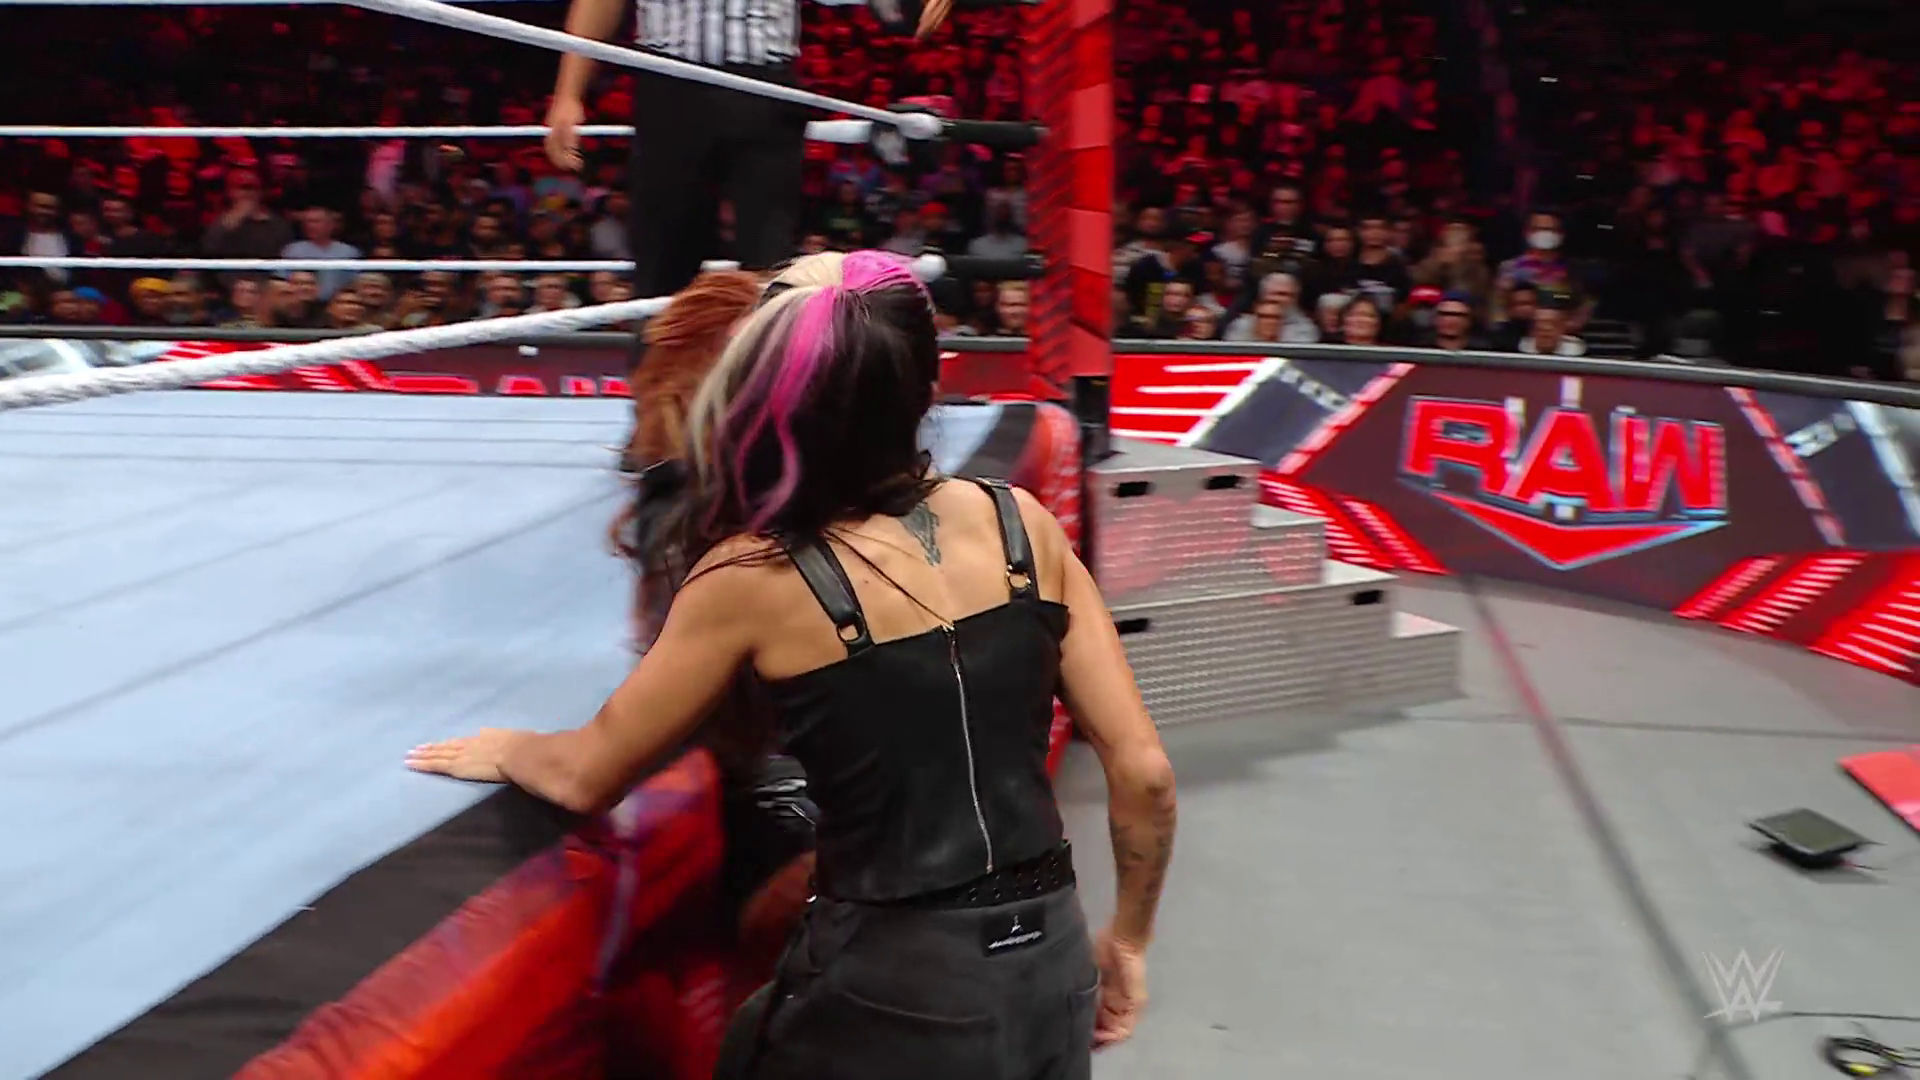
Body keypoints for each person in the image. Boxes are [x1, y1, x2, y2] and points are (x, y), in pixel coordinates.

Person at [406, 250, 1178, 1078]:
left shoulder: (753, 578)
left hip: (891, 978)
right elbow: (1145, 775)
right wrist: (1128, 942)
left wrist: (512, 749)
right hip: (1048, 956)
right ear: (928, 384)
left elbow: (587, 773)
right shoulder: (1022, 523)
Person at [543, 0, 952, 298]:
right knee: (663, 261)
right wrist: (567, 93)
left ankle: (769, 384)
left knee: (770, 259)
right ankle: (663, 389)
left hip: (765, 87)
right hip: (669, 84)